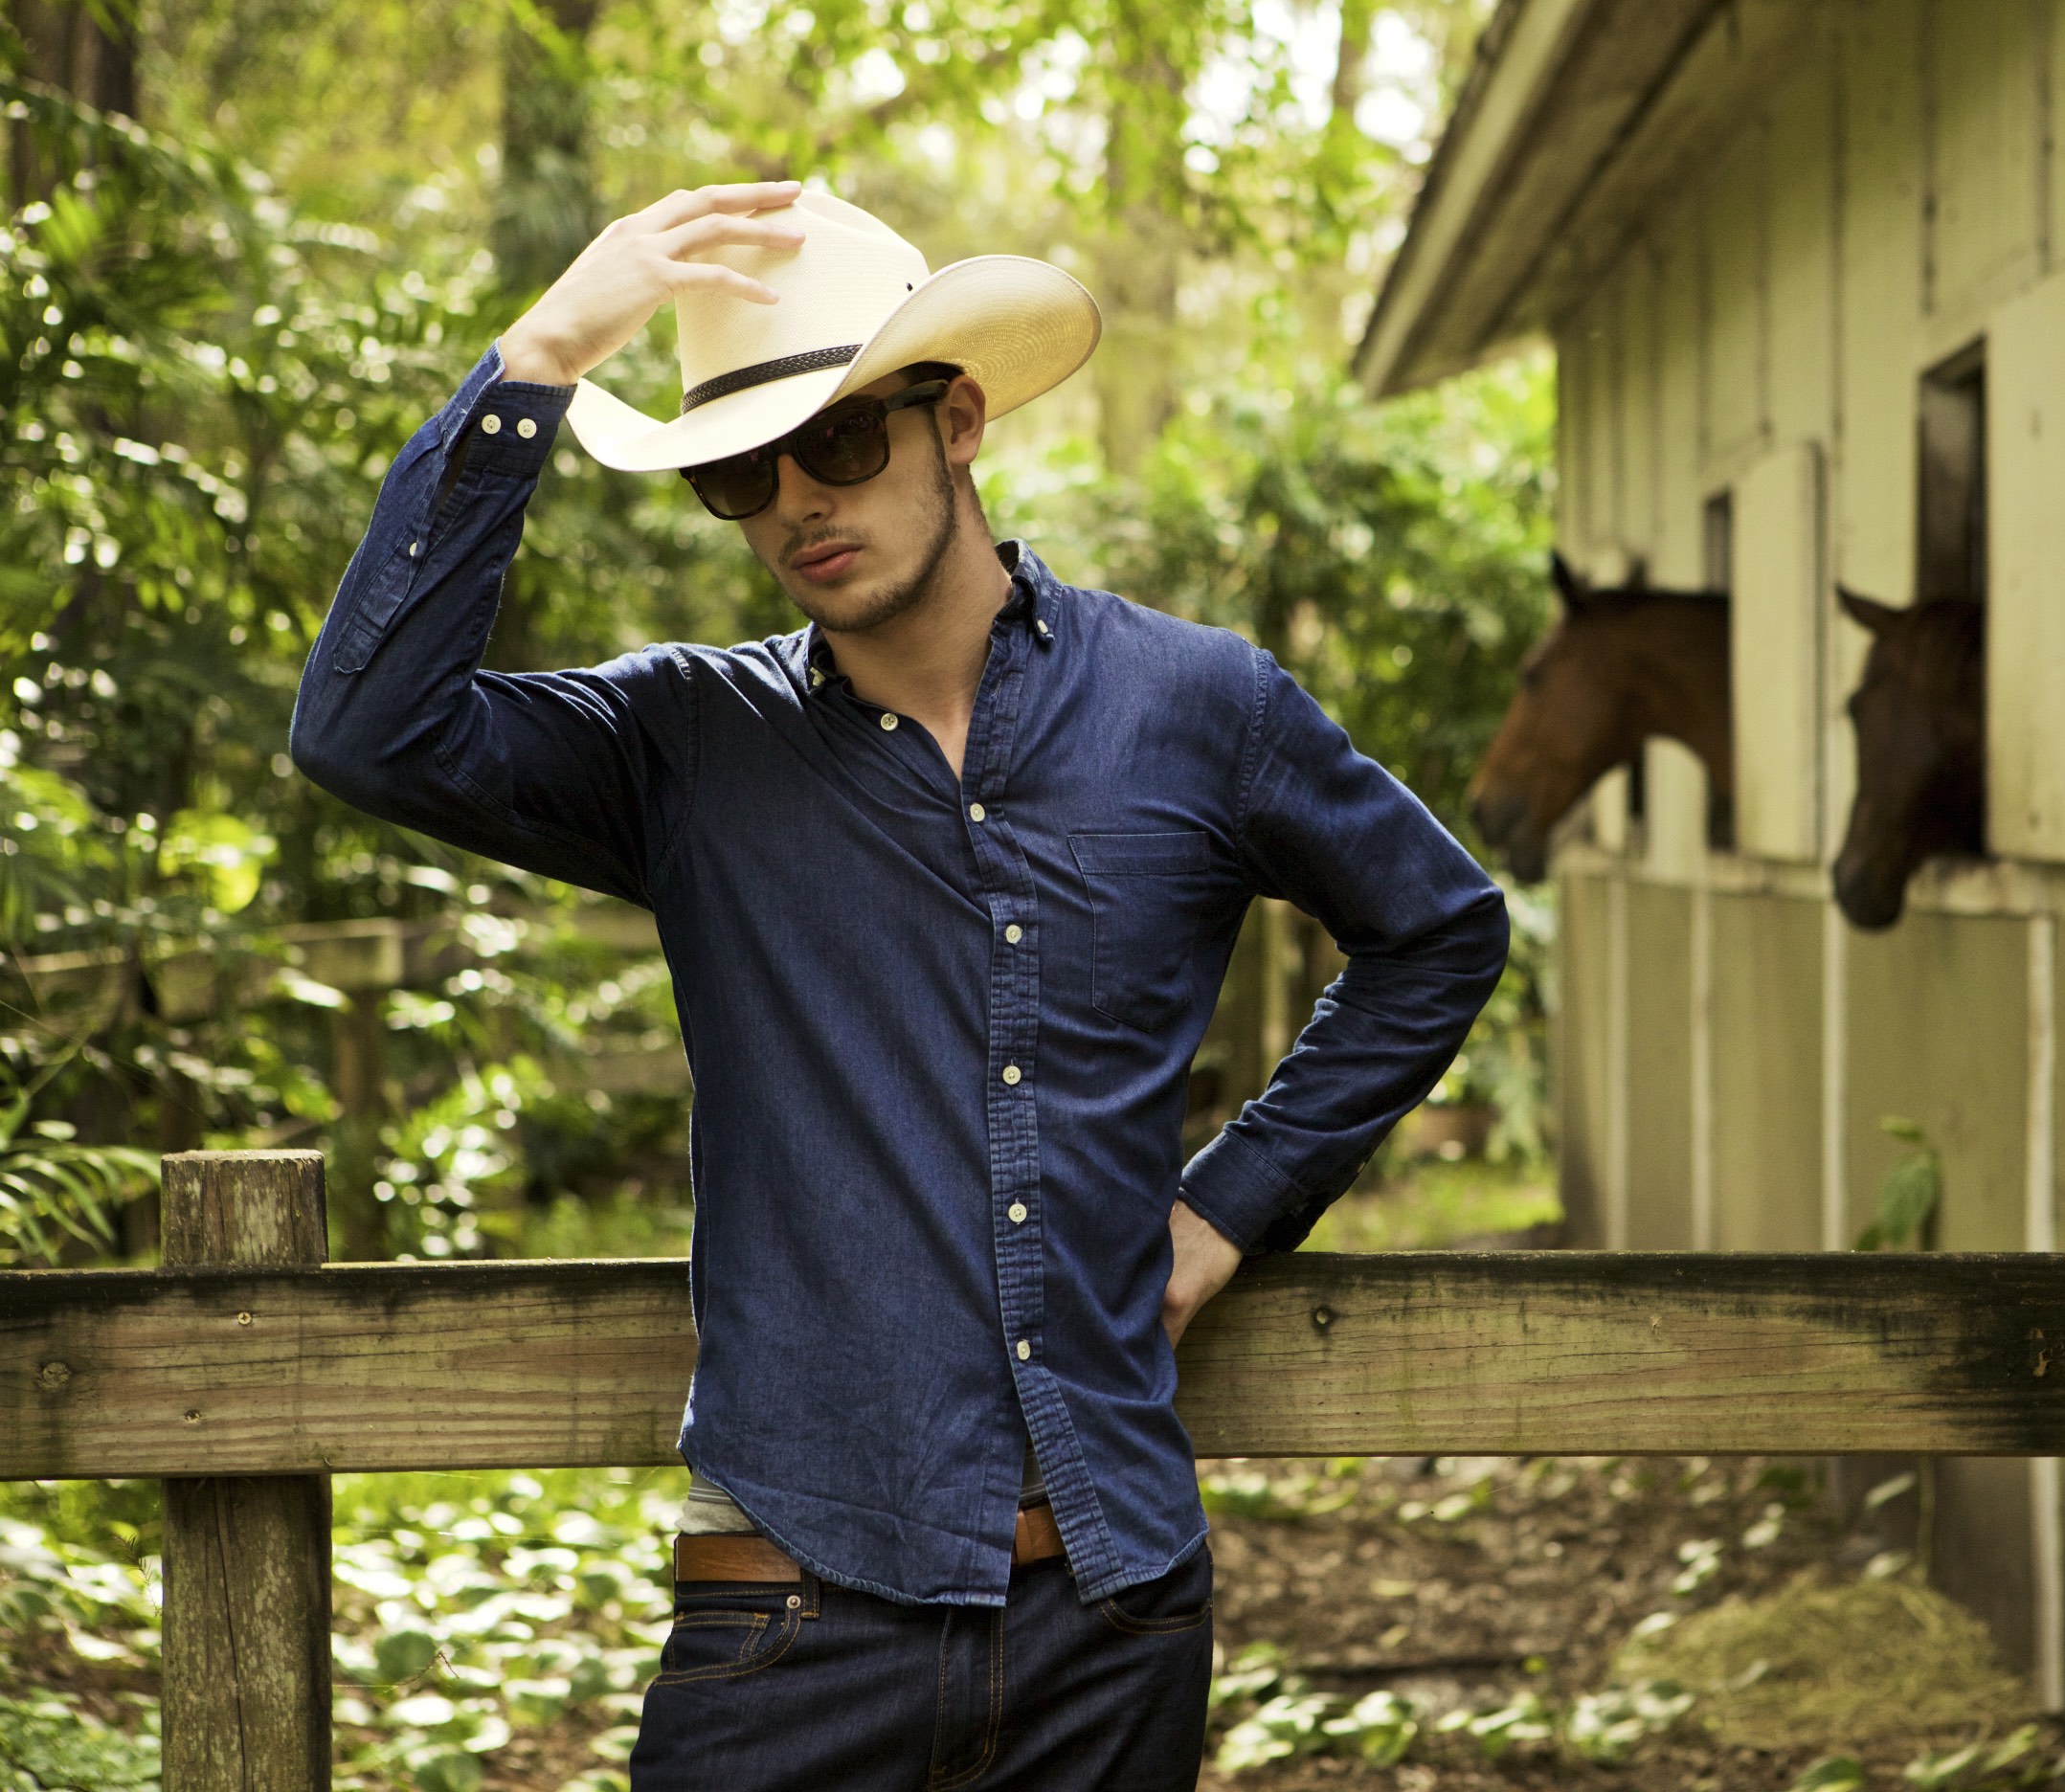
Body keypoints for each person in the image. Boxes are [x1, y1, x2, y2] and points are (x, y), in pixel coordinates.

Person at [289, 181, 1509, 1789]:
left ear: (960, 421)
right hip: (785, 1616)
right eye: (743, 469)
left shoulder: (1200, 709)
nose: (797, 498)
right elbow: (365, 731)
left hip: (1113, 1605)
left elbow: (1441, 928)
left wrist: (1234, 1205)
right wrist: (548, 352)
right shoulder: (682, 749)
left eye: (844, 440)